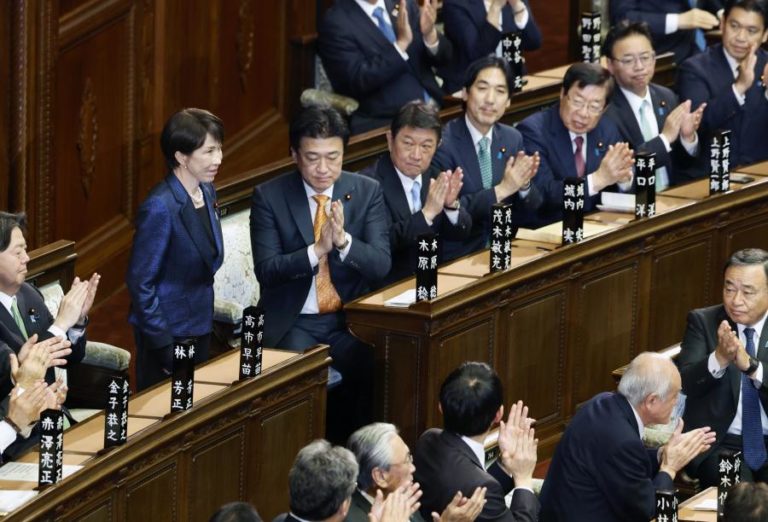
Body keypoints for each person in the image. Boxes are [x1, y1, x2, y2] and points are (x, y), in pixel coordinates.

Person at [250, 105, 389, 442]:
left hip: (347, 321)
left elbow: (381, 265)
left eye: (333, 157)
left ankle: (359, 460)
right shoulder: (270, 196)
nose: (323, 169)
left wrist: (343, 242)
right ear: (294, 154)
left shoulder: (366, 190)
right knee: (307, 390)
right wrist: (318, 250)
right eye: (313, 158)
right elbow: (267, 272)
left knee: (381, 368)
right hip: (294, 322)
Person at [539, 352, 716, 522]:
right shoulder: (622, 441)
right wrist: (669, 468)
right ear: (651, 401)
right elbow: (647, 510)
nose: (677, 402)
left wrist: (662, 454)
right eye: (674, 396)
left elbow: (627, 464)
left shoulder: (602, 402)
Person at [126, 108, 224, 391]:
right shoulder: (160, 206)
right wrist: (164, 345)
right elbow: (140, 283)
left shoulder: (207, 191)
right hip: (168, 335)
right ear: (181, 157)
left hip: (200, 323)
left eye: (219, 149)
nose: (218, 159)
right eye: (208, 152)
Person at [432, 56, 541, 259]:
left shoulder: (512, 138)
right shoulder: (443, 144)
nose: (490, 99)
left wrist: (524, 185)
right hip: (460, 254)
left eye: (500, 91)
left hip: (506, 247)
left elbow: (532, 207)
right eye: (482, 88)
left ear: (508, 101)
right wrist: (503, 189)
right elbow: (446, 210)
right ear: (465, 93)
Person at [676, 248, 768, 487]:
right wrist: (718, 358)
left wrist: (751, 367)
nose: (736, 300)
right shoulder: (703, 322)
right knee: (740, 500)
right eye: (729, 289)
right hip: (722, 445)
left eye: (748, 292)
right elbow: (684, 382)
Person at [360, 101, 471, 285]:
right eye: (408, 144)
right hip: (388, 289)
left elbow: (462, 232)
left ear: (438, 145)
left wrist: (451, 206)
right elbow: (383, 243)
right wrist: (426, 214)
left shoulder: (436, 174)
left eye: (426, 146)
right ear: (390, 140)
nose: (416, 155)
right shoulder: (369, 185)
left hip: (433, 282)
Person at [413, 362, 539, 522]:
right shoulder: (482, 486)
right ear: (498, 415)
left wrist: (505, 466)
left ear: (441, 407)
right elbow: (475, 486)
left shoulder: (428, 440)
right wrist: (523, 480)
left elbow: (470, 483)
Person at [517, 62, 634, 225]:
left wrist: (623, 180)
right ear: (562, 94)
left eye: (594, 106)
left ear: (605, 108)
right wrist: (597, 180)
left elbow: (624, 181)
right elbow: (544, 194)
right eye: (578, 102)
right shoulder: (533, 131)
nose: (584, 113)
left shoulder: (607, 129)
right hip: (550, 229)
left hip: (597, 227)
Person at [318, 0, 452, 135]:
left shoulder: (404, 3)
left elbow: (445, 60)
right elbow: (356, 80)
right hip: (390, 121)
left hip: (438, 107)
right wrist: (400, 45)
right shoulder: (336, 21)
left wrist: (430, 35)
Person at [0, 211, 94, 398]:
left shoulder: (29, 293)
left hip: (53, 411)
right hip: (14, 420)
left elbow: (69, 357)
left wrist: (76, 321)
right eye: (18, 252)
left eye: (25, 250)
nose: (26, 258)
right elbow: (12, 372)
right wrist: (61, 324)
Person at [603, 21, 706, 190]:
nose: (640, 67)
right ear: (610, 65)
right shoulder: (605, 110)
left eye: (645, 57)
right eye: (628, 60)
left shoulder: (667, 97)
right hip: (632, 203)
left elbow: (683, 164)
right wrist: (664, 139)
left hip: (671, 198)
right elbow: (623, 172)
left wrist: (687, 138)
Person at [677, 0, 768, 168]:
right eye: (734, 26)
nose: (741, 37)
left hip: (761, 176)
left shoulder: (766, 65)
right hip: (711, 177)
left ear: (764, 35)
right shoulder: (694, 69)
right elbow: (699, 125)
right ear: (723, 24)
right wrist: (739, 88)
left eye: (751, 31)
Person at [346, 422, 486, 522]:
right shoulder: (351, 517)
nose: (413, 468)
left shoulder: (402, 497)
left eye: (410, 457)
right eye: (406, 460)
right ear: (381, 476)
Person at [439, 0, 542, 95]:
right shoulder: (456, 3)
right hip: (471, 88)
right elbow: (477, 53)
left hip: (512, 84)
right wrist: (495, 8)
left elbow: (534, 43)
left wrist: (518, 7)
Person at [609, 0, 722, 64]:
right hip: (658, 57)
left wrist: (721, 12)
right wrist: (678, 20)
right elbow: (623, 18)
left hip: (697, 47)